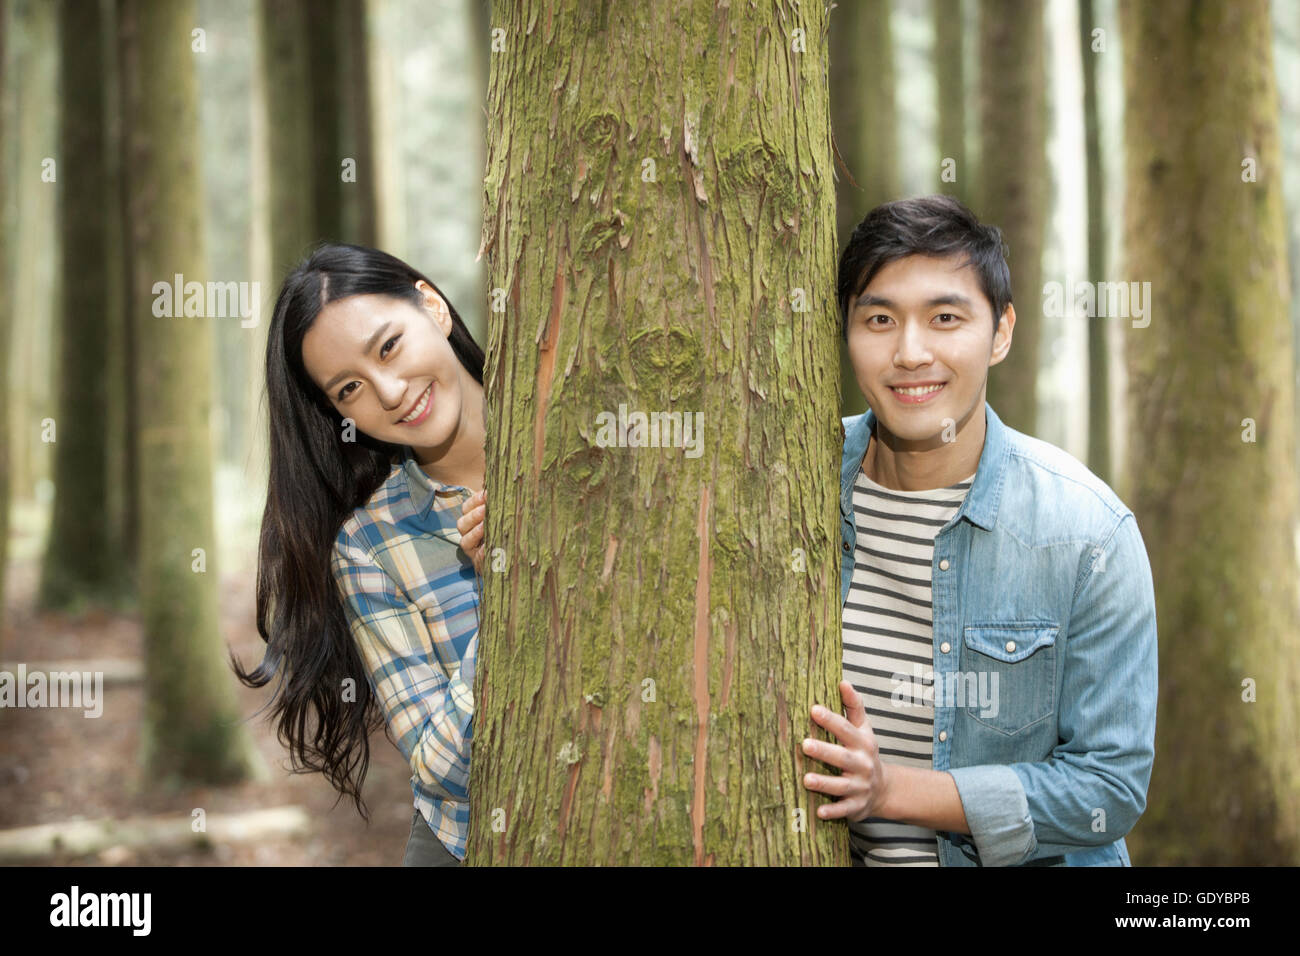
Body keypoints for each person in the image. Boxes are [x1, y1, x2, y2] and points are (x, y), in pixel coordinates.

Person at [799, 195, 1158, 866]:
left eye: (944, 318)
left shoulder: (1088, 534)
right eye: (879, 319)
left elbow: (1108, 787)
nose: (910, 352)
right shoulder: (791, 482)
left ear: (1000, 332)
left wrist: (895, 790)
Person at [234, 242, 489, 867]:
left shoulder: (585, 433)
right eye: (351, 388)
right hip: (463, 846)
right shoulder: (369, 547)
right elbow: (443, 770)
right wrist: (508, 604)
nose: (392, 391)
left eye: (389, 346)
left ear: (431, 305)